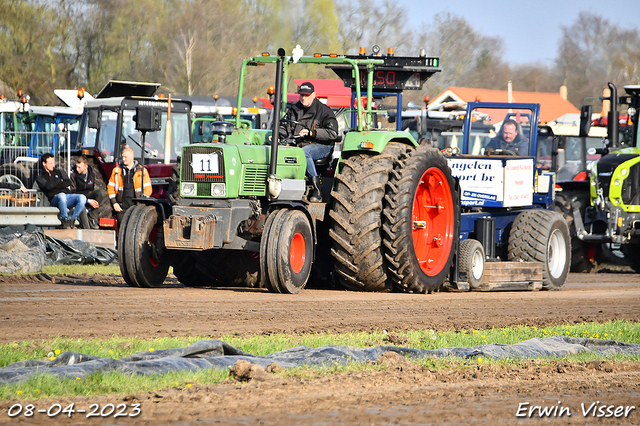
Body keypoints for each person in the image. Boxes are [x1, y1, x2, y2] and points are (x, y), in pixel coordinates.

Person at [279, 81, 339, 202]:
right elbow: (284, 125)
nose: (304, 98)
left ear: (313, 95)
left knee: (304, 153)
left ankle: (317, 188)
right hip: (300, 143)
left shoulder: (324, 111)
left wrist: (311, 132)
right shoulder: (294, 110)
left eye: (306, 95)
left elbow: (332, 133)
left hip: (322, 145)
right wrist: (279, 136)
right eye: (302, 95)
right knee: (280, 151)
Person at [35, 153, 87, 229]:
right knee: (61, 195)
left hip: (67, 196)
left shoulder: (59, 171)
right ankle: (64, 219)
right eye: (50, 163)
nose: (53, 165)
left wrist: (55, 184)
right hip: (55, 199)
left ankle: (73, 219)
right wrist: (59, 180)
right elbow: (48, 187)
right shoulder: (40, 177)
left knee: (82, 197)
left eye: (53, 162)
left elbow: (68, 182)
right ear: (44, 164)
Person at [108, 146, 151, 228]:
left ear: (131, 157)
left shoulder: (142, 171)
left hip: (136, 206)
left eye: (125, 157)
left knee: (134, 228)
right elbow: (110, 188)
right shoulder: (116, 171)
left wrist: (142, 202)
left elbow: (148, 188)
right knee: (122, 228)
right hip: (121, 207)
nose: (123, 159)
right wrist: (114, 203)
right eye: (122, 157)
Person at [70, 155, 108, 229]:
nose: (77, 169)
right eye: (77, 166)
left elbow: (92, 187)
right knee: (81, 205)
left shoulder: (91, 172)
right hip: (78, 196)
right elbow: (73, 192)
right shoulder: (73, 174)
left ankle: (92, 215)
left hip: (88, 193)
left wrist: (91, 200)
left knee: (101, 193)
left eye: (79, 167)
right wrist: (88, 200)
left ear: (85, 167)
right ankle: (87, 228)